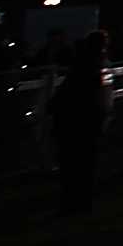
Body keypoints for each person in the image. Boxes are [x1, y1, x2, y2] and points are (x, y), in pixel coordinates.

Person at [51, 29, 109, 215]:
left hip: (76, 120)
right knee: (84, 163)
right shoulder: (95, 66)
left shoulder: (84, 66)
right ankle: (80, 202)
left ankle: (74, 202)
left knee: (74, 163)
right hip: (85, 120)